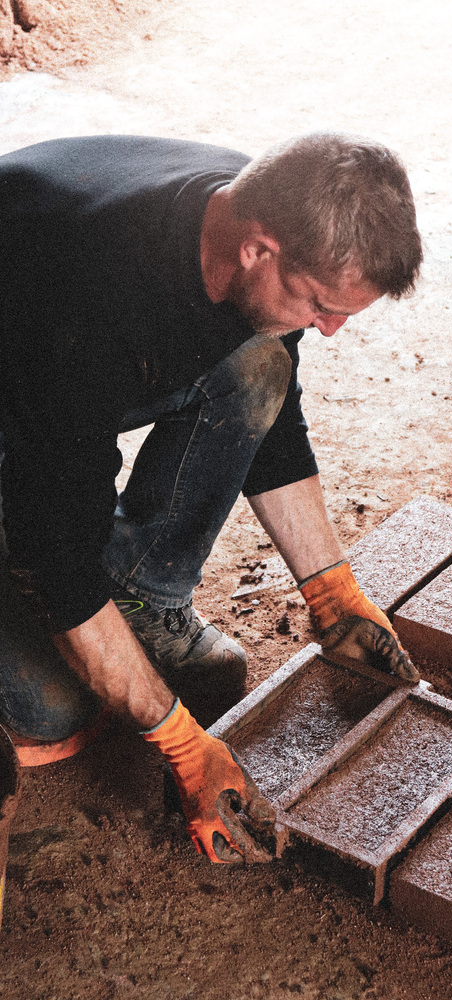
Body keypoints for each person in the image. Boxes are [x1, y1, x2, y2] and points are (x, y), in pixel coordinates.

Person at [0, 131, 423, 863]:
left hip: (50, 374)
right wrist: (181, 744)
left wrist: (332, 594)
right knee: (50, 707)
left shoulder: (259, 210)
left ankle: (140, 600)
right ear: (258, 250)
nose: (331, 329)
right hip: (29, 356)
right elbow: (58, 556)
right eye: (323, 305)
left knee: (260, 361)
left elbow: (274, 420)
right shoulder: (90, 308)